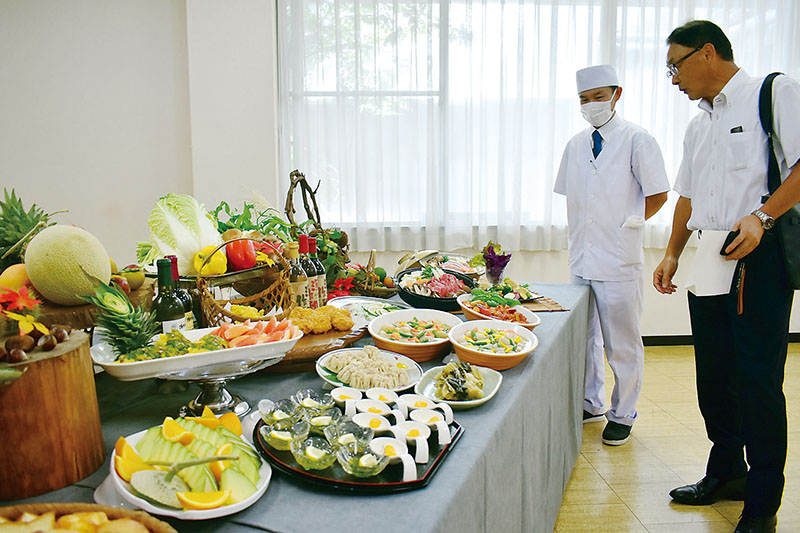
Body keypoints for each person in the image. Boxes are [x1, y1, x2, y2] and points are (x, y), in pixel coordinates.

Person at [653, 20, 800, 533]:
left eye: (675, 65)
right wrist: (673, 252)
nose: (672, 78)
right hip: (710, 256)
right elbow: (687, 196)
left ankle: (762, 501)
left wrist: (762, 218)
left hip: (758, 257)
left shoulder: (773, 92)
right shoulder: (700, 123)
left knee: (758, 381)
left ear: (707, 53)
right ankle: (727, 473)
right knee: (715, 376)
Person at [555, 65, 669, 446]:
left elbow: (658, 193)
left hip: (619, 259)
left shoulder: (638, 139)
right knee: (584, 338)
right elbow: (572, 197)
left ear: (617, 94)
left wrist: (631, 222)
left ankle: (624, 413)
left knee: (622, 342)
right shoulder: (575, 144)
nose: (591, 105)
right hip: (582, 259)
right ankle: (591, 403)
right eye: (584, 100)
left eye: (598, 97)